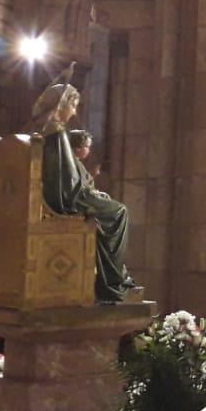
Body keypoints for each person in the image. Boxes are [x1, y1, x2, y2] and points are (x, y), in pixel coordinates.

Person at [33, 83, 136, 303]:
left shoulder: (47, 129)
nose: (74, 112)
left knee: (109, 212)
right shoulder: (57, 133)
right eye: (73, 106)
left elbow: (68, 174)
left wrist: (91, 191)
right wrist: (91, 194)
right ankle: (112, 281)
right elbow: (68, 181)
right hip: (67, 200)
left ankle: (107, 277)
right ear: (62, 105)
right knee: (119, 212)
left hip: (64, 194)